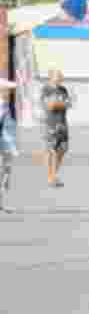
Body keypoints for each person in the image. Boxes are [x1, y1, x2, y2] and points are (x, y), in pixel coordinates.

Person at [41, 69, 72, 187]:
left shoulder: (63, 89)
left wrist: (60, 103)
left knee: (63, 148)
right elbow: (50, 106)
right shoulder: (46, 89)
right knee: (51, 150)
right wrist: (61, 104)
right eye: (58, 76)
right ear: (51, 77)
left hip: (62, 123)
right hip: (51, 124)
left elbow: (69, 103)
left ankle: (54, 174)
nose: (60, 78)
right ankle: (51, 177)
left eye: (61, 76)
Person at [0, 78, 17, 213]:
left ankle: (2, 203)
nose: (9, 93)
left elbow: (8, 128)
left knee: (5, 173)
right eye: (7, 90)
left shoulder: (5, 106)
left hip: (5, 145)